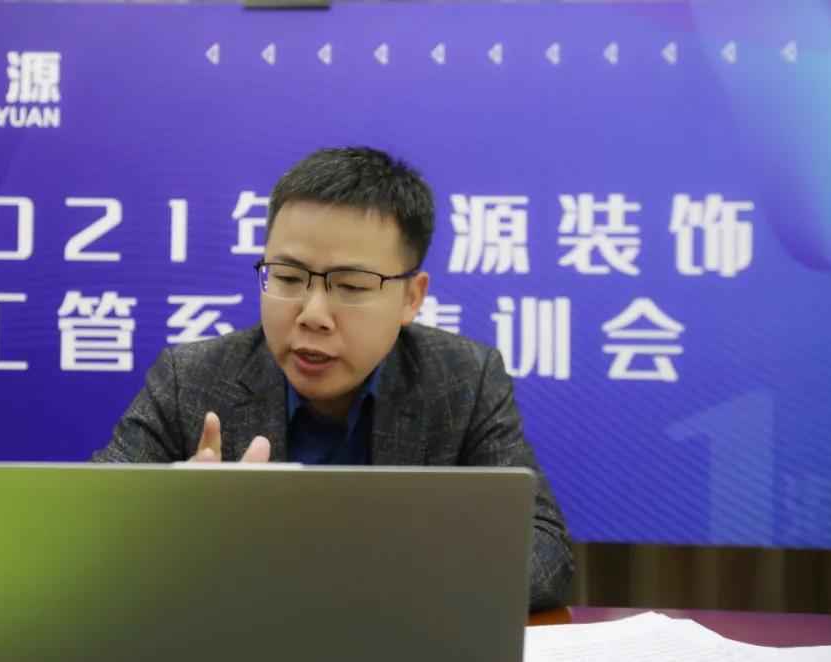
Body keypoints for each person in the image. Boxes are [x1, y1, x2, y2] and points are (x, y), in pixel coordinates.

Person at [91, 147, 574, 610]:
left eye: (351, 286)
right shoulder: (192, 380)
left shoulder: (463, 380)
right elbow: (85, 533)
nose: (313, 315)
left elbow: (546, 553)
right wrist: (173, 523)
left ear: (412, 297)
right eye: (287, 278)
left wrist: (377, 579)